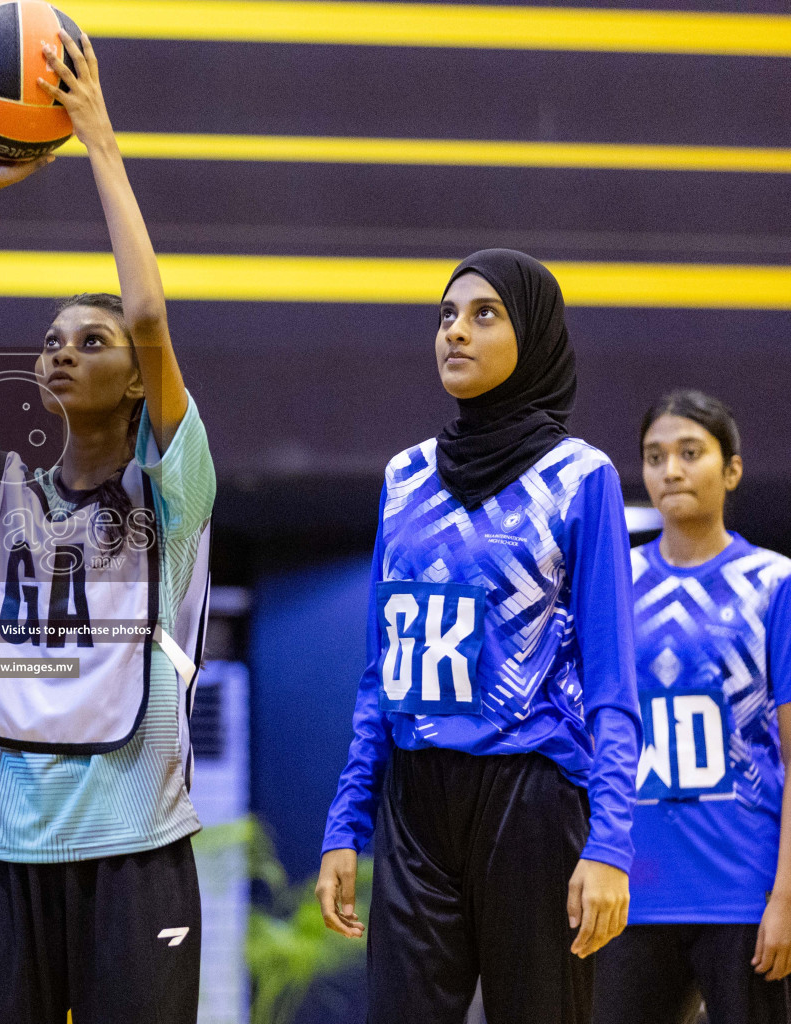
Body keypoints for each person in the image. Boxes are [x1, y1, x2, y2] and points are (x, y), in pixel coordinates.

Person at [0, 28, 213, 1024]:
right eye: (54, 341)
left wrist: (100, 142)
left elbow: (152, 315)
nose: (64, 353)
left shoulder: (173, 491)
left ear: (135, 375)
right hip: (3, 847)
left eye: (92, 340)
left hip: (136, 847)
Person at [315, 249, 641, 1024]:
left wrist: (610, 844)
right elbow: (380, 674)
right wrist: (344, 823)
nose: (455, 332)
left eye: (483, 314)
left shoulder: (580, 476)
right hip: (415, 796)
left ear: (532, 333)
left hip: (530, 799)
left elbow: (613, 686)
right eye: (446, 316)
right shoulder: (404, 476)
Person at [593, 390, 791, 1023]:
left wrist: (786, 896)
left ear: (731, 469)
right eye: (654, 457)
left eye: (689, 452)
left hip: (743, 895)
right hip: (632, 894)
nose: (670, 470)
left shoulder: (774, 583)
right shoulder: (613, 585)